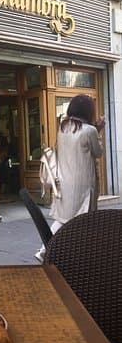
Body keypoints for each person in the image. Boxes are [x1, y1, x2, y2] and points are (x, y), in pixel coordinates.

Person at [35, 94, 105, 262]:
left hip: (65, 181)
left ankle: (45, 250)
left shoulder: (63, 127)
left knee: (63, 219)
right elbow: (98, 152)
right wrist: (99, 130)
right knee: (84, 219)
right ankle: (75, 253)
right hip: (83, 184)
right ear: (87, 111)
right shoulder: (90, 131)